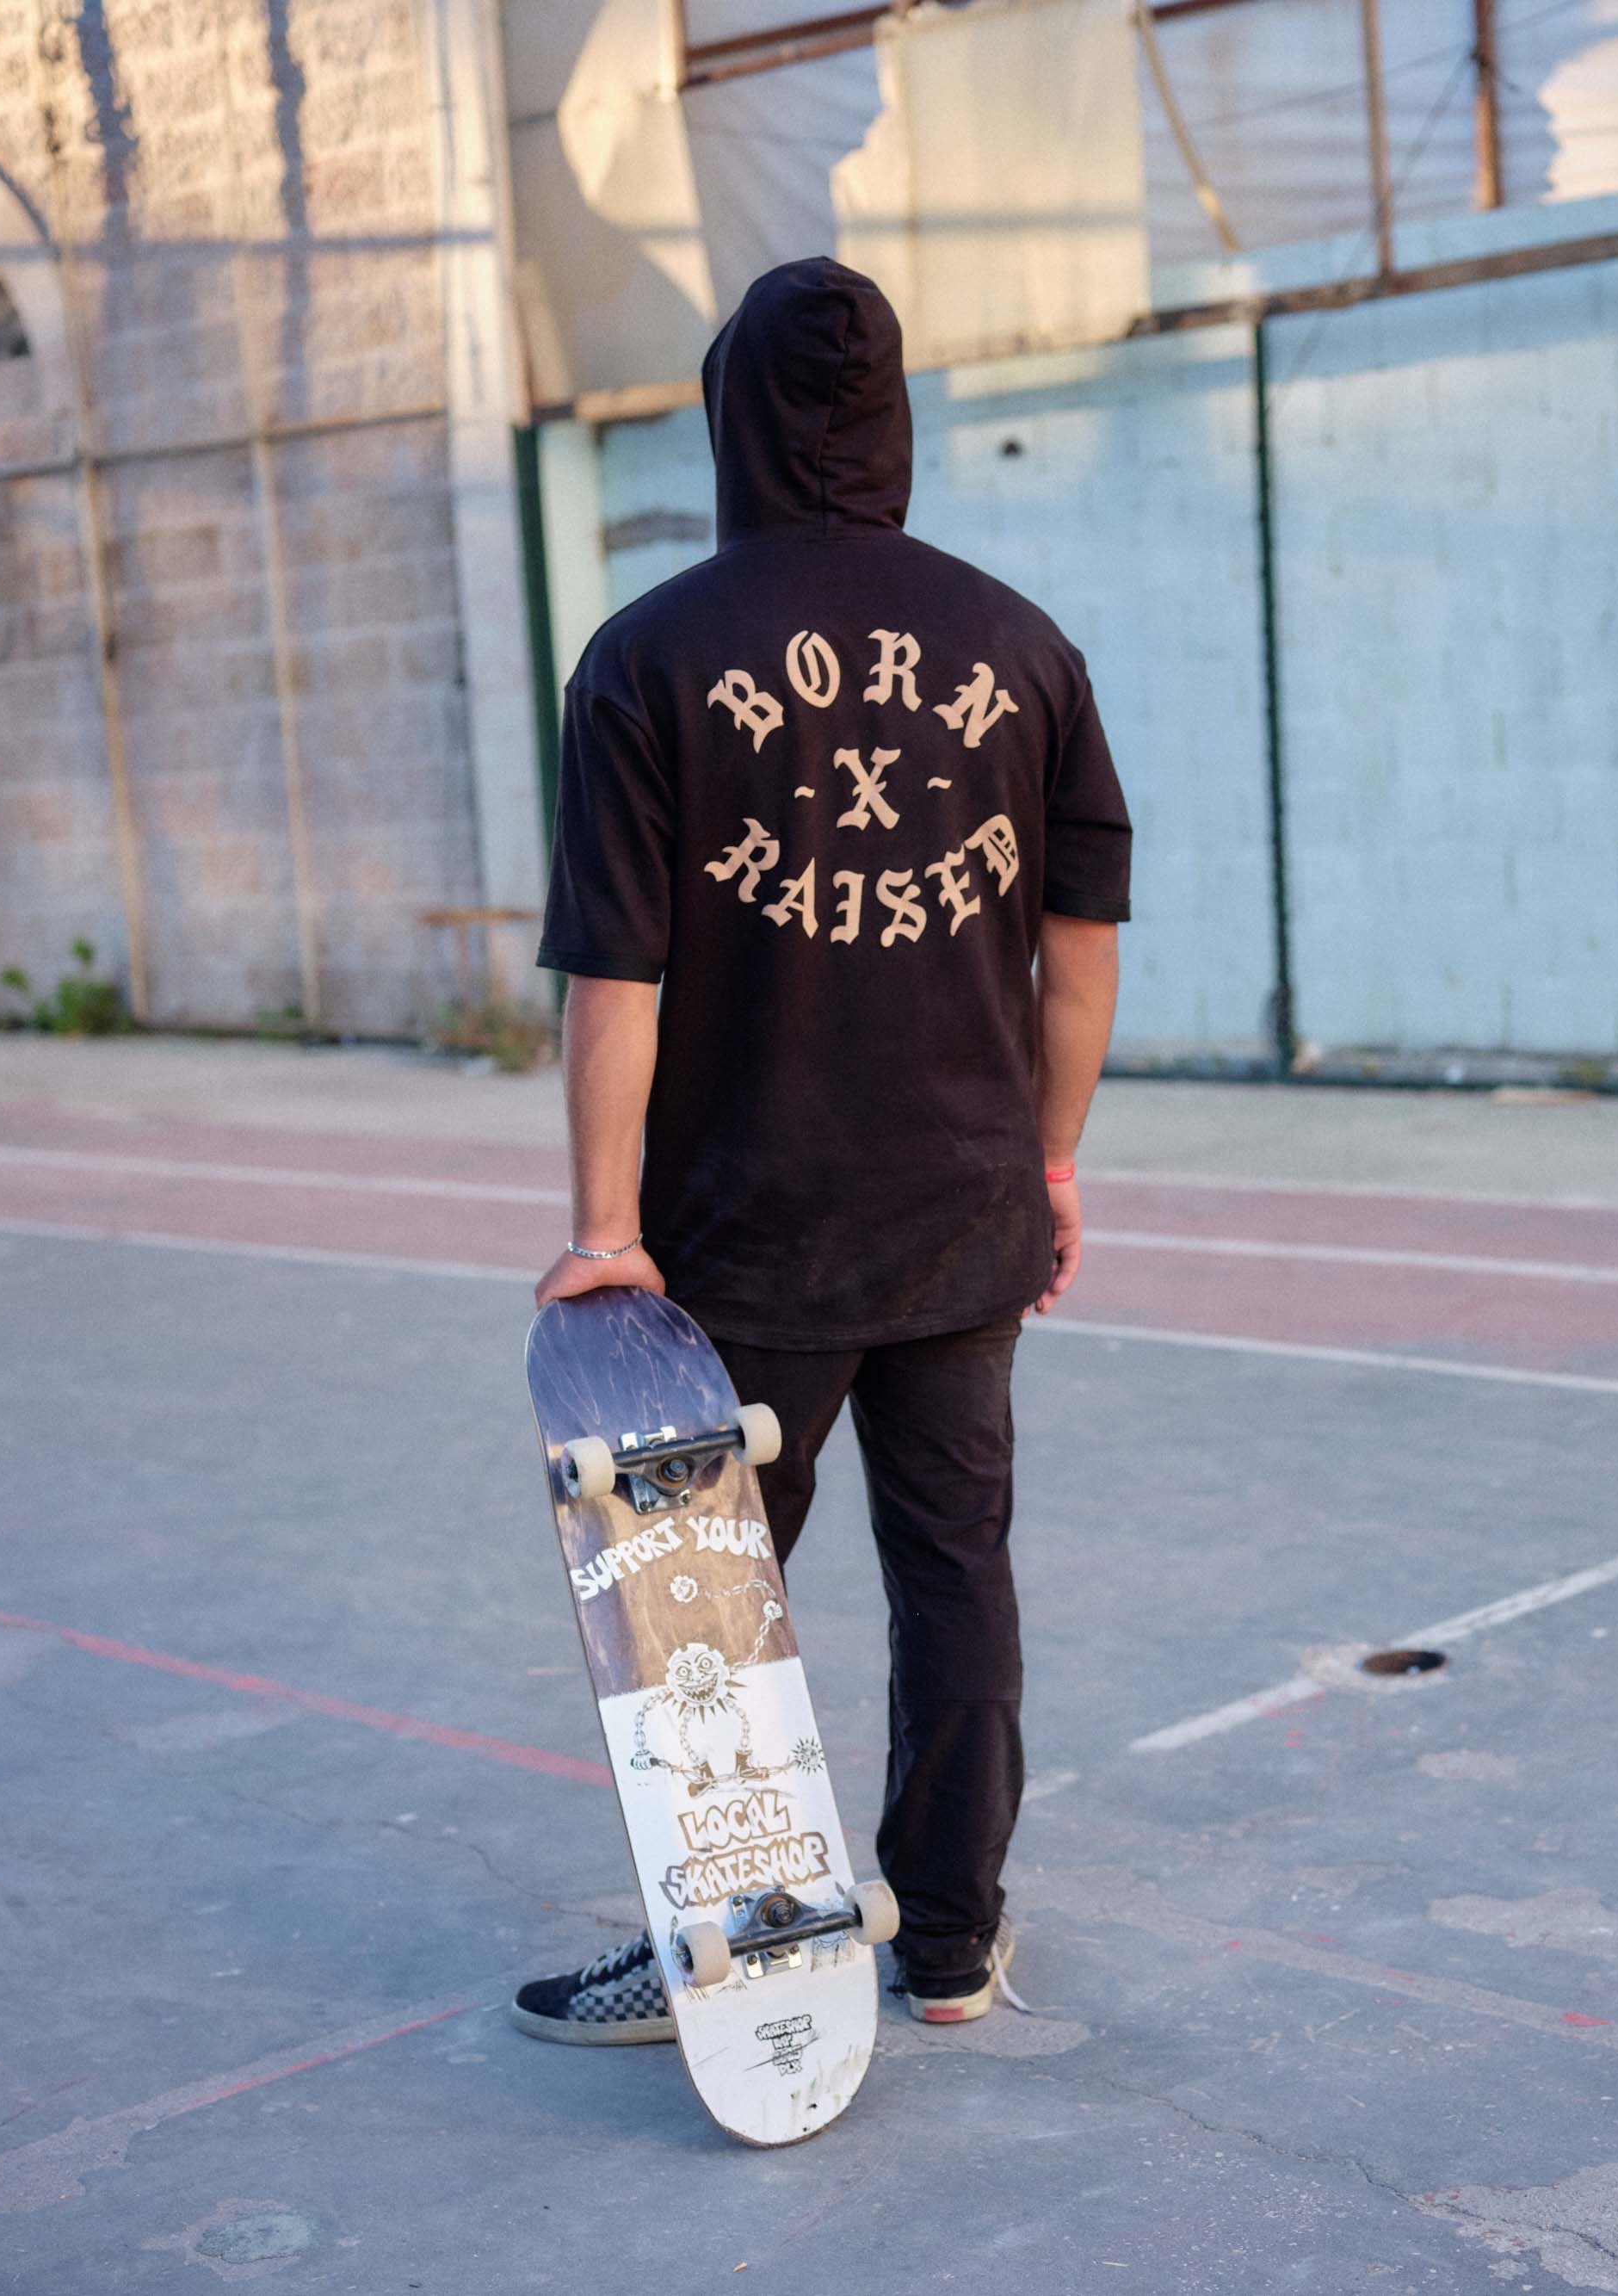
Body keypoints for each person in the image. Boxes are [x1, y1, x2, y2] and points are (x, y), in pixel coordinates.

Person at [510, 257, 1130, 2046]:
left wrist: (604, 1230)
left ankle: (727, 1949)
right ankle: (949, 1945)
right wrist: (1051, 1165)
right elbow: (1079, 951)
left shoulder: (645, 657)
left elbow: (614, 977)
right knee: (956, 1577)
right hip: (962, 1212)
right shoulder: (1027, 648)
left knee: (700, 1612)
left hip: (745, 1232)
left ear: (734, 422)